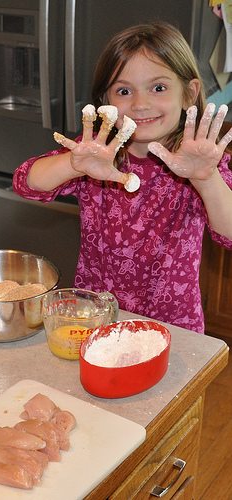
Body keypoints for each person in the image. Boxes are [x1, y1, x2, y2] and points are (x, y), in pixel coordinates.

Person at [13, 22, 232, 334]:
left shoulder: (201, 163)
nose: (140, 104)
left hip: (172, 329)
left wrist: (206, 178)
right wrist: (74, 165)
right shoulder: (96, 155)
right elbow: (26, 183)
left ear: (189, 94)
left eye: (158, 88)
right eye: (124, 91)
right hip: (95, 319)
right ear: (106, 102)